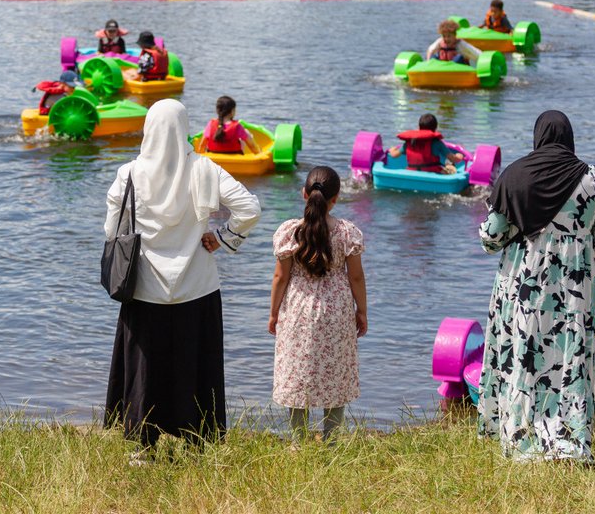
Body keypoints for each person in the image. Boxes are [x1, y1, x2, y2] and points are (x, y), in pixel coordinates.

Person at [104, 99, 260, 451]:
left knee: (146, 368)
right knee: (195, 364)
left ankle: (144, 447)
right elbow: (249, 208)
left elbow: (111, 230)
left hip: (144, 286)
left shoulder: (129, 173)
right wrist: (223, 237)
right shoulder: (205, 168)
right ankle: (196, 442)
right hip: (197, 285)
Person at [477, 110, 595, 462]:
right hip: (574, 286)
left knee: (524, 351)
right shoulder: (592, 177)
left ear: (537, 137)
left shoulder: (514, 176)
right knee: (568, 354)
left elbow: (492, 238)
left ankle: (521, 436)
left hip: (524, 282)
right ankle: (568, 437)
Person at [269, 166, 367, 442]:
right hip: (336, 308)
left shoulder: (290, 232)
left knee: (297, 369)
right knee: (335, 370)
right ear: (336, 198)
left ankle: (298, 441)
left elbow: (280, 277)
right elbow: (356, 277)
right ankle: (331, 440)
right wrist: (362, 311)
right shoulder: (347, 233)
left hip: (298, 307)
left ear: (304, 194)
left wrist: (273, 313)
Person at [386, 113, 464, 173]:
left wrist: (392, 149)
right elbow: (454, 159)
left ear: (419, 127)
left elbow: (394, 155)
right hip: (433, 173)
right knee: (450, 165)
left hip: (412, 172)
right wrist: (459, 156)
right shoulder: (437, 143)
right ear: (435, 128)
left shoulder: (410, 142)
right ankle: (448, 165)